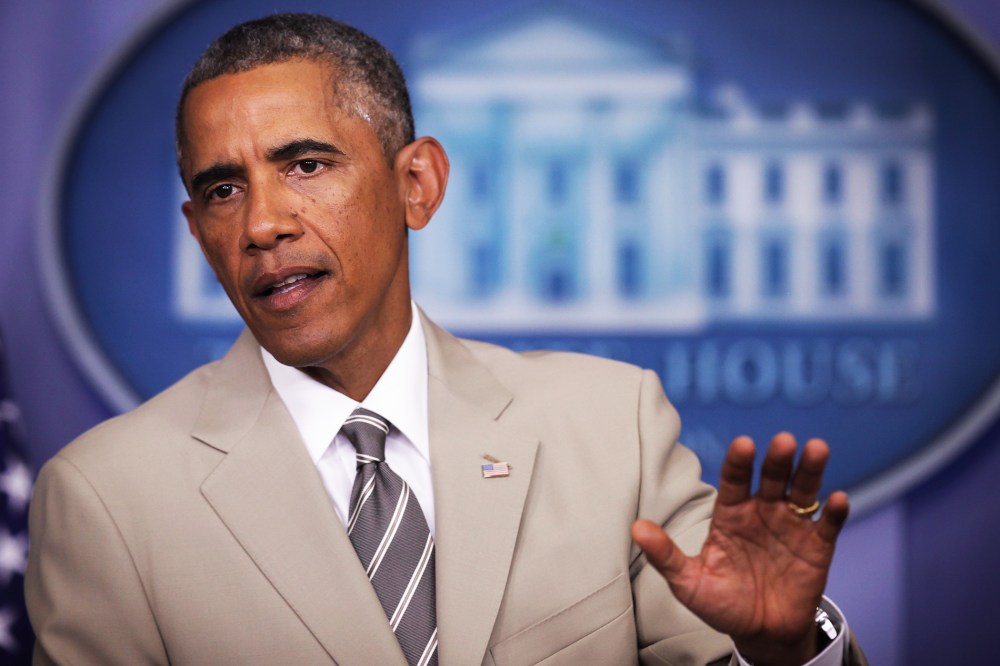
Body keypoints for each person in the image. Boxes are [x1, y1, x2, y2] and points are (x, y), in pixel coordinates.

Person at [26, 13, 866, 666]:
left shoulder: (611, 427)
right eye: (221, 189)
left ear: (416, 184)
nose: (263, 223)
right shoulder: (106, 500)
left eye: (306, 165)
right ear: (196, 228)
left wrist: (783, 650)